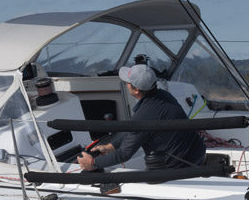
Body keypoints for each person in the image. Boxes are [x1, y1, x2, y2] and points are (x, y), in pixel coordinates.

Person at [77, 64, 206, 171]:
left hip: (178, 167)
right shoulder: (164, 96)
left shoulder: (144, 115)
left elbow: (125, 153)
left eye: (127, 83)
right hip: (197, 154)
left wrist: (93, 163)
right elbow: (134, 129)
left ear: (136, 90)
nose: (126, 85)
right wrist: (111, 146)